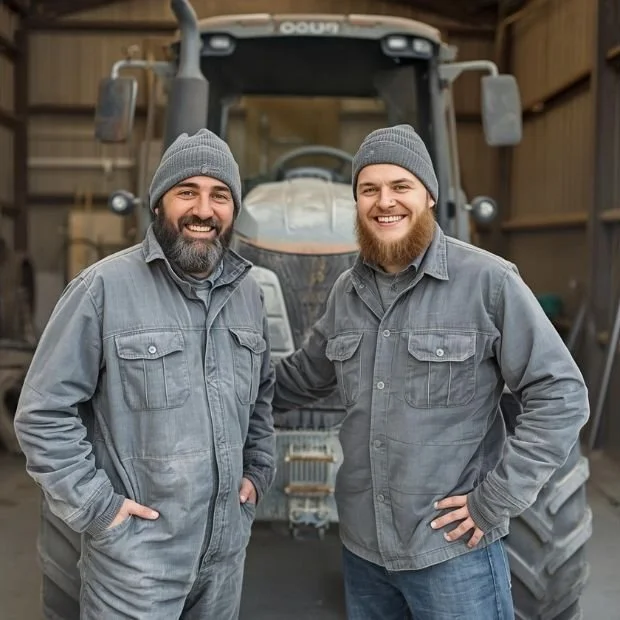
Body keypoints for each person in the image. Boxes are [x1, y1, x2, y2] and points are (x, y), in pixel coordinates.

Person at [272, 124, 589, 619]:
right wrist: (215, 375)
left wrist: (495, 499)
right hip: (364, 549)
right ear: (355, 202)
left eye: (401, 187)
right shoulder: (347, 293)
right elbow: (297, 380)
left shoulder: (489, 282)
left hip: (450, 551)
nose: (384, 202)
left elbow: (562, 393)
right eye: (369, 189)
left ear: (429, 196)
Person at [14, 128, 276, 619]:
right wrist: (100, 510)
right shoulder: (102, 289)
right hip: (134, 565)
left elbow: (261, 398)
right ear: (158, 204)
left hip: (222, 562)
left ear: (234, 209)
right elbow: (41, 415)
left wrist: (258, 471)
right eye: (187, 192)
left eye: (219, 195)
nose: (204, 210)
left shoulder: (248, 296)